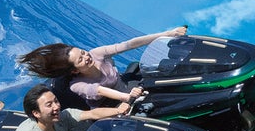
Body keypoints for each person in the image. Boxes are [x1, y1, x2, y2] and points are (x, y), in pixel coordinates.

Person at [18, 26, 187, 108]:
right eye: (80, 60)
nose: (86, 57)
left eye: (83, 52)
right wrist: (126, 97)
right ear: (75, 70)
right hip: (112, 107)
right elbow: (100, 91)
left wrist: (167, 34)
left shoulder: (96, 53)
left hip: (128, 89)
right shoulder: (76, 85)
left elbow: (128, 45)